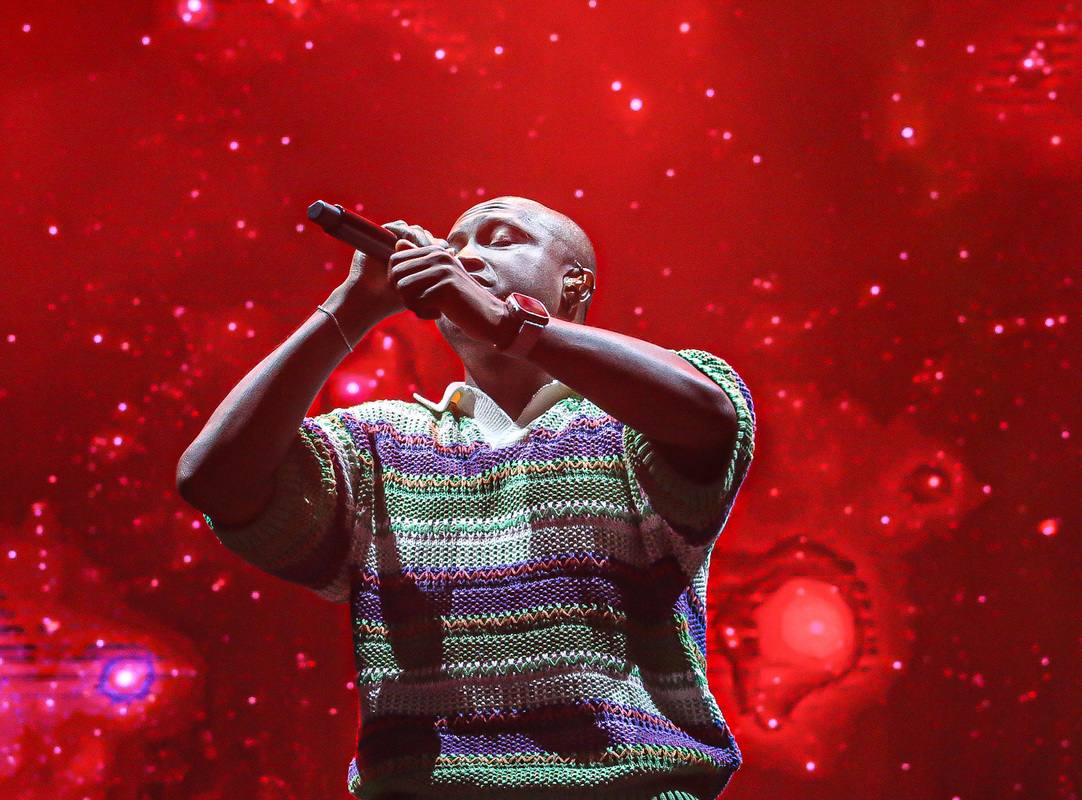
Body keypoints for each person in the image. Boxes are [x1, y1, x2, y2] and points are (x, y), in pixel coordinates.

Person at [176, 196, 756, 799]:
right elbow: (213, 481)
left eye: (501, 239)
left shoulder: (631, 418)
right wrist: (351, 309)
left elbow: (709, 416)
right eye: (454, 247)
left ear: (576, 283)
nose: (466, 257)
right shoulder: (379, 440)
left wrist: (508, 322)